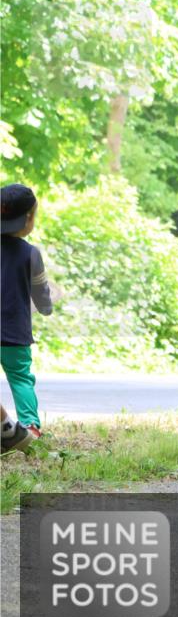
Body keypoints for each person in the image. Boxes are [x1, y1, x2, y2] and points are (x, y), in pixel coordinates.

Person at [1, 184, 53, 450]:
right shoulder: (30, 253)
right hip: (14, 332)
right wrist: (46, 308)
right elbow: (41, 291)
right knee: (20, 377)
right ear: (29, 219)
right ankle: (30, 426)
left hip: (13, 331)